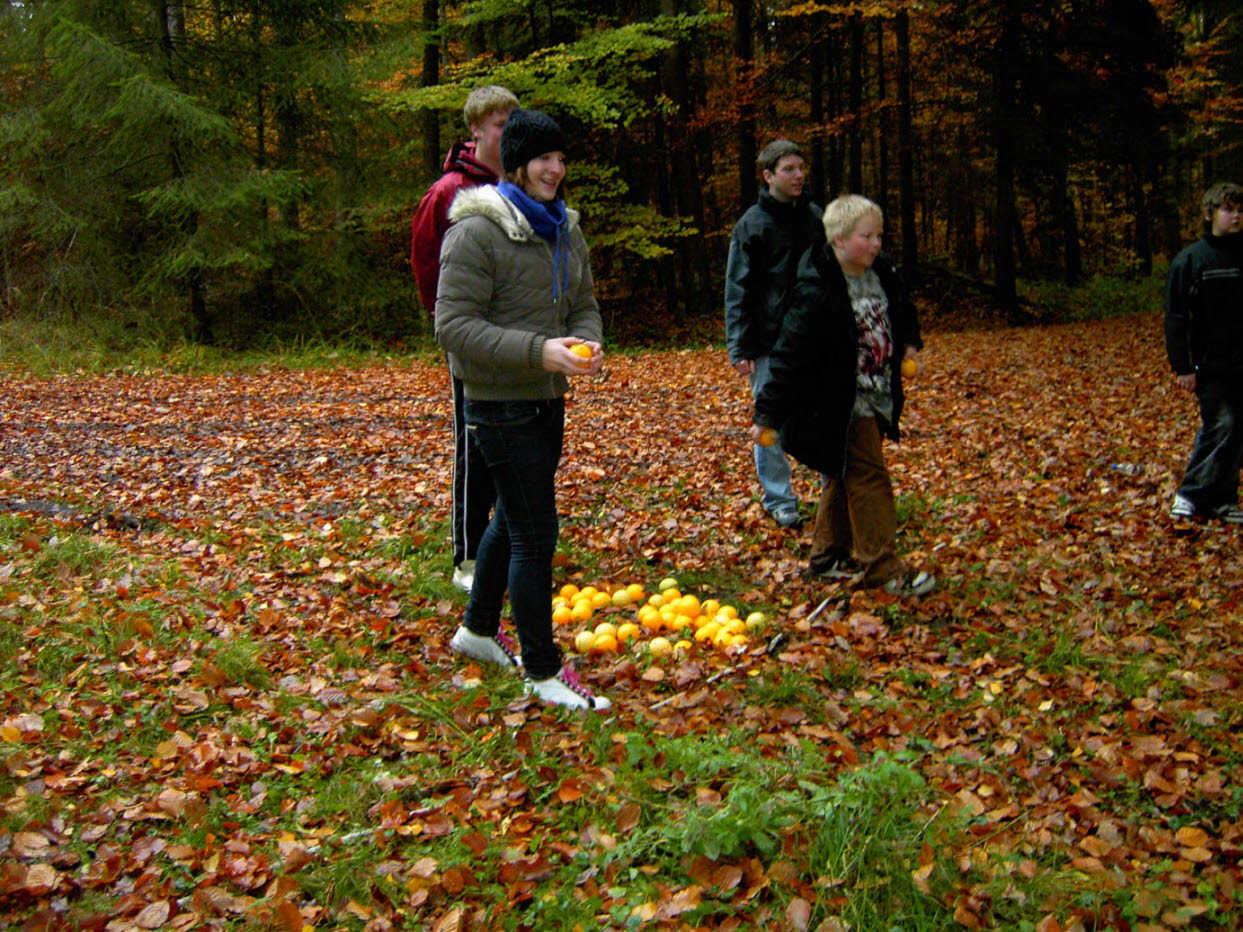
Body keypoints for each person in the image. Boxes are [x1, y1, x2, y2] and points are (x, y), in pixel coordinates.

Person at [435, 108, 611, 712]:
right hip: (497, 405)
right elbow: (453, 326)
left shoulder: (564, 228)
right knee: (536, 533)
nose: (555, 169)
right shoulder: (475, 232)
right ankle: (542, 670)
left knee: (512, 520)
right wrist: (541, 351)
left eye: (561, 159)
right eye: (543, 158)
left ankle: (478, 629)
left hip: (545, 398)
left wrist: (587, 343)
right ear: (515, 163)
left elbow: (583, 302)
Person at [750, 194, 934, 596]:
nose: (876, 244)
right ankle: (883, 568)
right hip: (835, 401)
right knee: (868, 475)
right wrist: (767, 415)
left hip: (876, 390)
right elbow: (789, 353)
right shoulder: (817, 288)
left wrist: (908, 344)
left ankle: (827, 557)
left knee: (841, 470)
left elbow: (903, 311)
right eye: (866, 236)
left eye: (879, 235)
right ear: (838, 239)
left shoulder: (882, 272)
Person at [411, 85, 520, 591]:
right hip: (471, 341)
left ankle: (513, 543)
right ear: (476, 130)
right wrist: (450, 323)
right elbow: (426, 260)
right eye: (499, 125)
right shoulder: (449, 190)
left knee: (516, 442)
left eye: (512, 124)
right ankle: (469, 557)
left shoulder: (522, 183)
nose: (507, 134)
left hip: (519, 339)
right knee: (474, 444)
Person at [725, 139, 825, 530]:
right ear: (768, 176)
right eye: (789, 169)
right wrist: (740, 347)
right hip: (770, 342)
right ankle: (780, 499)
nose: (799, 175)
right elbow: (738, 289)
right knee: (770, 424)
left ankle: (832, 494)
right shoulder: (751, 225)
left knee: (824, 415)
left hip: (815, 338)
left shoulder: (816, 218)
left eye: (801, 167)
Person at [1165, 181, 1243, 523]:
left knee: (1236, 431)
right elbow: (1176, 317)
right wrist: (1183, 366)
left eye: (1240, 210)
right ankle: (1190, 494)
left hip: (1241, 362)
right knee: (1220, 424)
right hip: (1210, 364)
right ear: (1210, 214)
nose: (1236, 216)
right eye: (1228, 210)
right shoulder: (1191, 260)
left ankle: (1222, 499)